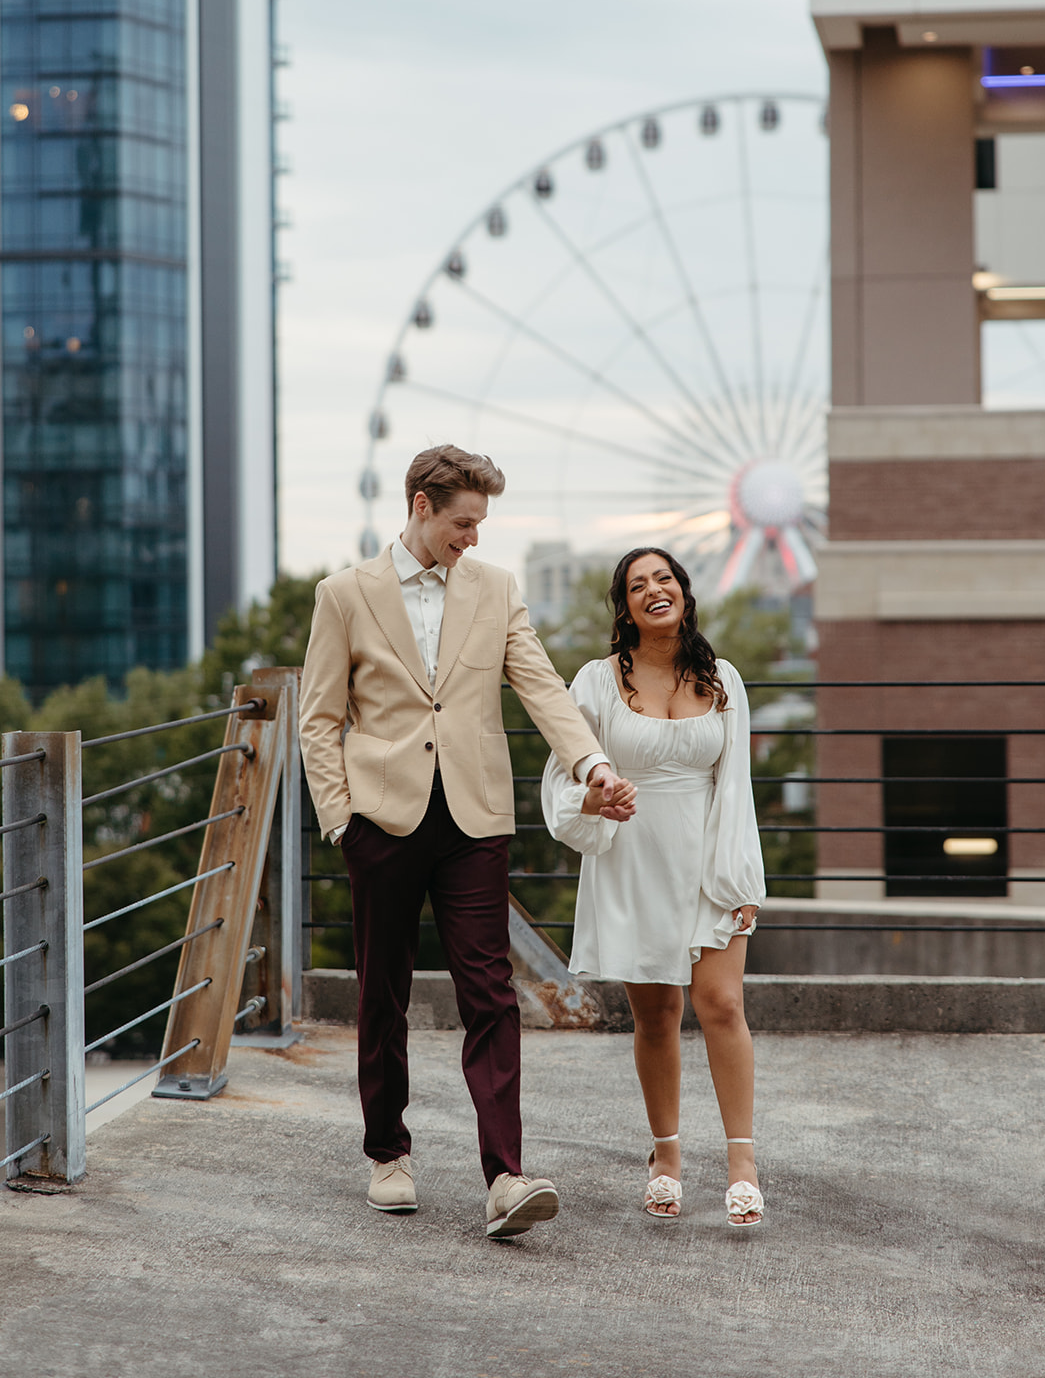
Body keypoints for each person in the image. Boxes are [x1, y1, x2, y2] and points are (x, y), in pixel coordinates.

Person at [299, 444, 636, 1240]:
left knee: (489, 992)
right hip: (380, 820)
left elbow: (542, 686)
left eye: (480, 523)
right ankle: (387, 1154)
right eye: (462, 522)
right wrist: (340, 818)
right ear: (421, 505)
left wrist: (591, 764)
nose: (473, 539)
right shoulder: (343, 595)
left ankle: (506, 1178)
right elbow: (319, 717)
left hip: (474, 819)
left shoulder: (496, 590)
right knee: (381, 992)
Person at [541, 547, 766, 1226]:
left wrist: (740, 876)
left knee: (721, 1004)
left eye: (662, 578)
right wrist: (592, 801)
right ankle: (664, 1155)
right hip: (632, 861)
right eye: (637, 585)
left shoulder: (722, 679)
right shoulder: (595, 682)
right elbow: (562, 776)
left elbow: (736, 788)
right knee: (657, 1017)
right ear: (625, 608)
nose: (652, 590)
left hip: (707, 859)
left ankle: (741, 1162)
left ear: (683, 592)